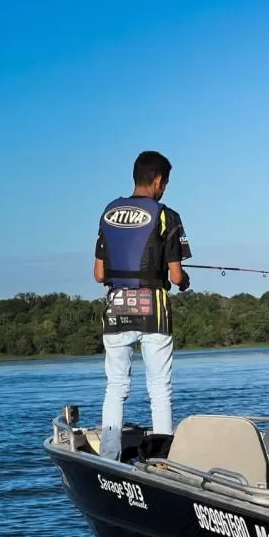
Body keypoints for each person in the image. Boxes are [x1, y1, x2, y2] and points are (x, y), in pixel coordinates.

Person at [92, 150, 192, 460]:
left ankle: (109, 453)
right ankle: (163, 458)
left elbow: (98, 274)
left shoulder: (108, 212)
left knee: (116, 385)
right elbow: (175, 276)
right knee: (159, 387)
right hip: (154, 312)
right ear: (159, 180)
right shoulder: (166, 215)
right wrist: (184, 279)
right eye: (166, 183)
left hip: (116, 310)